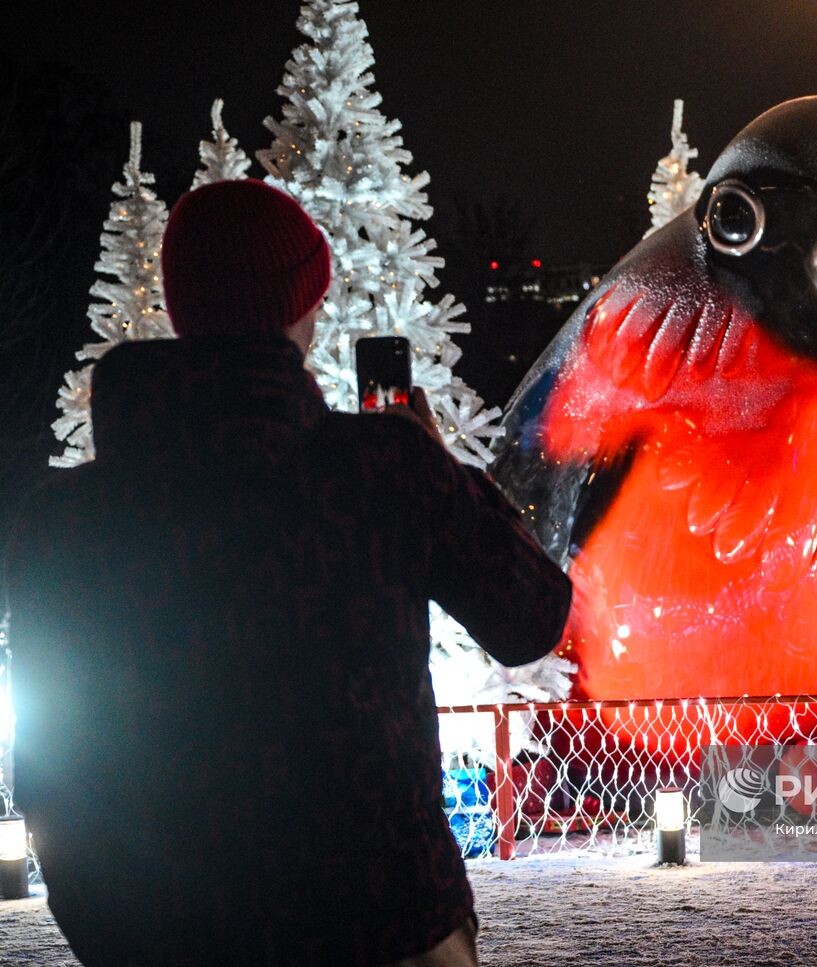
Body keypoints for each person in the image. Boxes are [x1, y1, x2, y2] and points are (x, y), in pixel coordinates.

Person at [2, 180, 572, 966]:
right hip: (389, 926)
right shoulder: (383, 472)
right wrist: (435, 463)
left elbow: (48, 766)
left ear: (179, 305)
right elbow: (532, 615)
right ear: (303, 305)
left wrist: (110, 926)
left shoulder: (62, 521)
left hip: (162, 934)